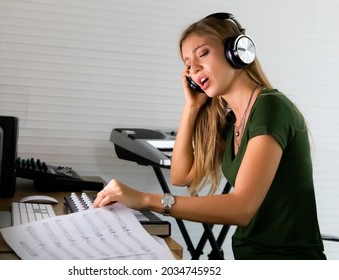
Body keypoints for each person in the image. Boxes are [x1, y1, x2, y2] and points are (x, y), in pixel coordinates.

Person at [93, 12, 326, 260]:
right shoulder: (232, 121)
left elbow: (242, 208)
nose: (193, 68)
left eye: (202, 53)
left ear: (236, 53)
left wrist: (144, 199)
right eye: (187, 63)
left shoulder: (270, 107)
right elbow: (181, 176)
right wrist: (191, 108)